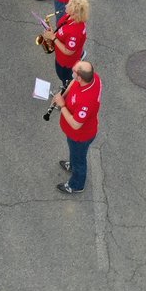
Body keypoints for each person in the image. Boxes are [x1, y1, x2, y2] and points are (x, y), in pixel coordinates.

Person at [54, 59, 101, 195]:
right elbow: (73, 82)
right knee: (75, 154)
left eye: (75, 70)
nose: (73, 68)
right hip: (74, 135)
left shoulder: (87, 101)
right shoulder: (93, 78)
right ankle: (72, 165)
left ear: (80, 77)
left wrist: (62, 105)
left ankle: (76, 185)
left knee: (79, 159)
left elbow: (75, 124)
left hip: (80, 137)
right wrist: (63, 96)